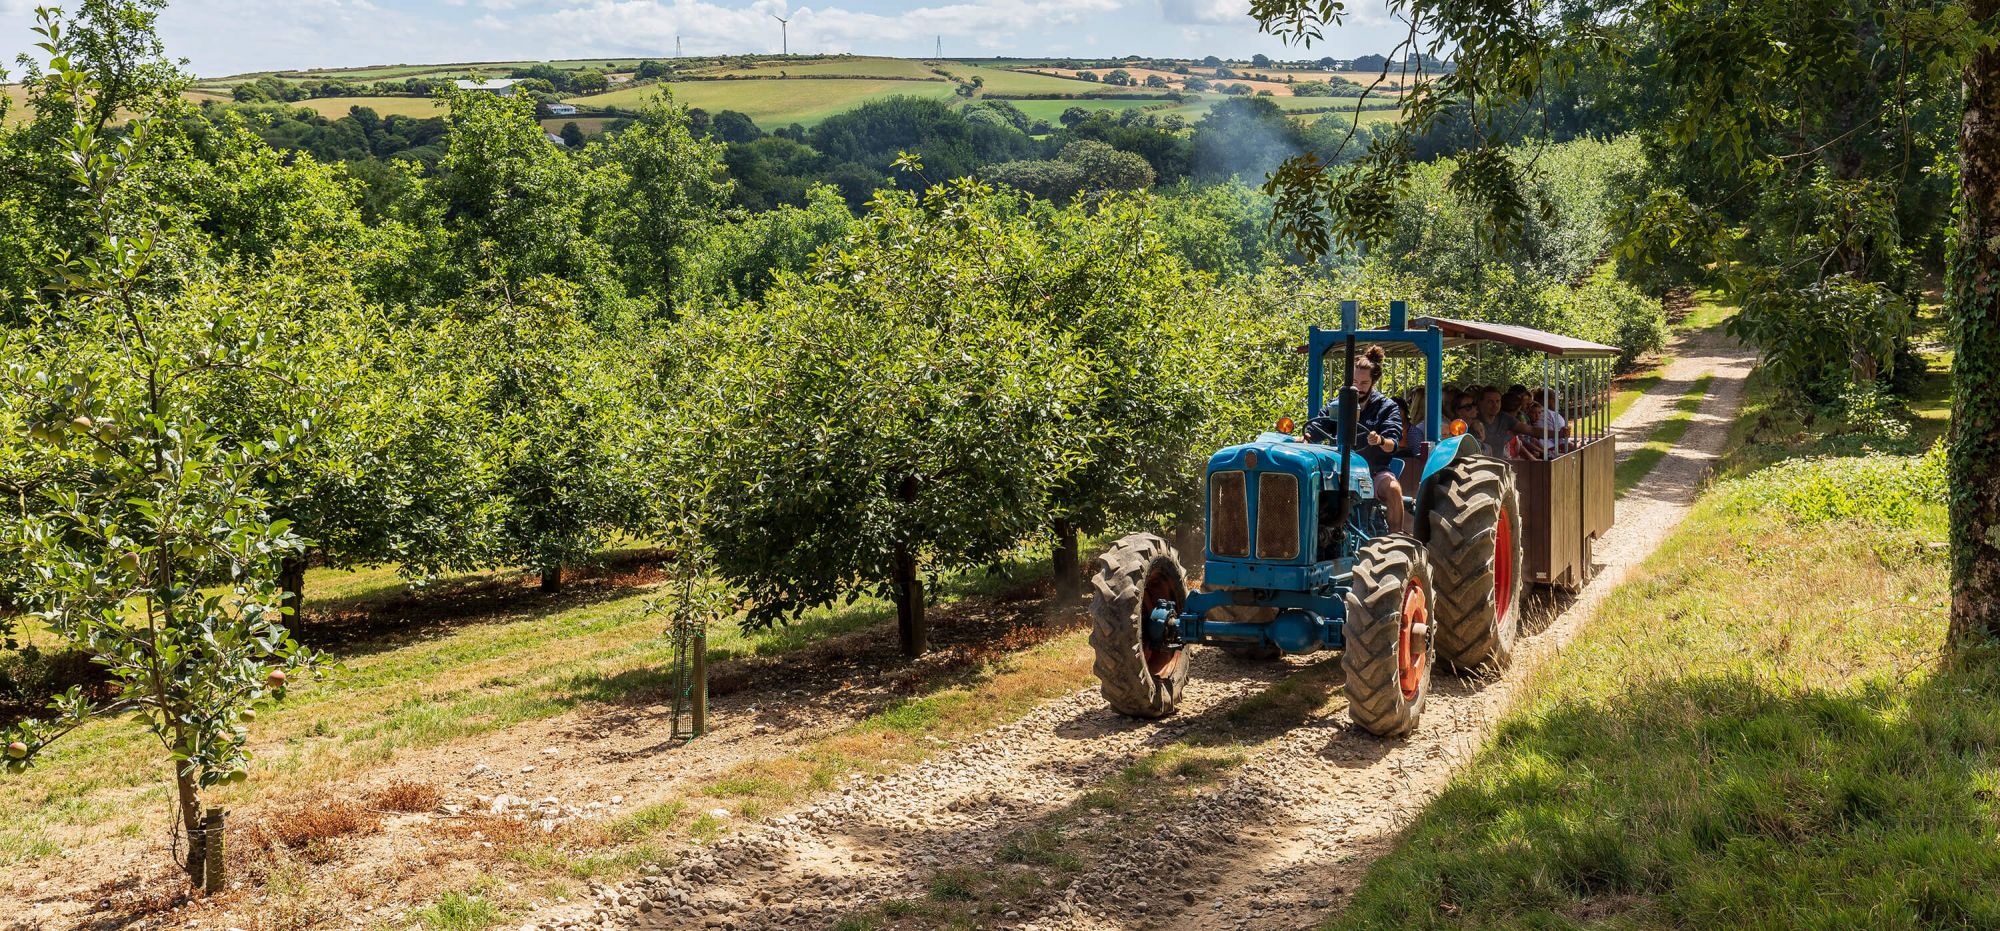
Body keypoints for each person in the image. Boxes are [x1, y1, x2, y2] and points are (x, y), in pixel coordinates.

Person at [1318, 344, 1407, 534]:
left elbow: (1392, 443)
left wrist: (1381, 441)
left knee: (1393, 489)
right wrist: (1307, 436)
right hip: (1338, 470)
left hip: (1373, 472)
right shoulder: (1338, 404)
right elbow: (1319, 426)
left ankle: (1397, 539)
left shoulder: (1386, 407)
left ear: (1374, 382)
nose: (1357, 388)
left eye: (1364, 383)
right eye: (1354, 382)